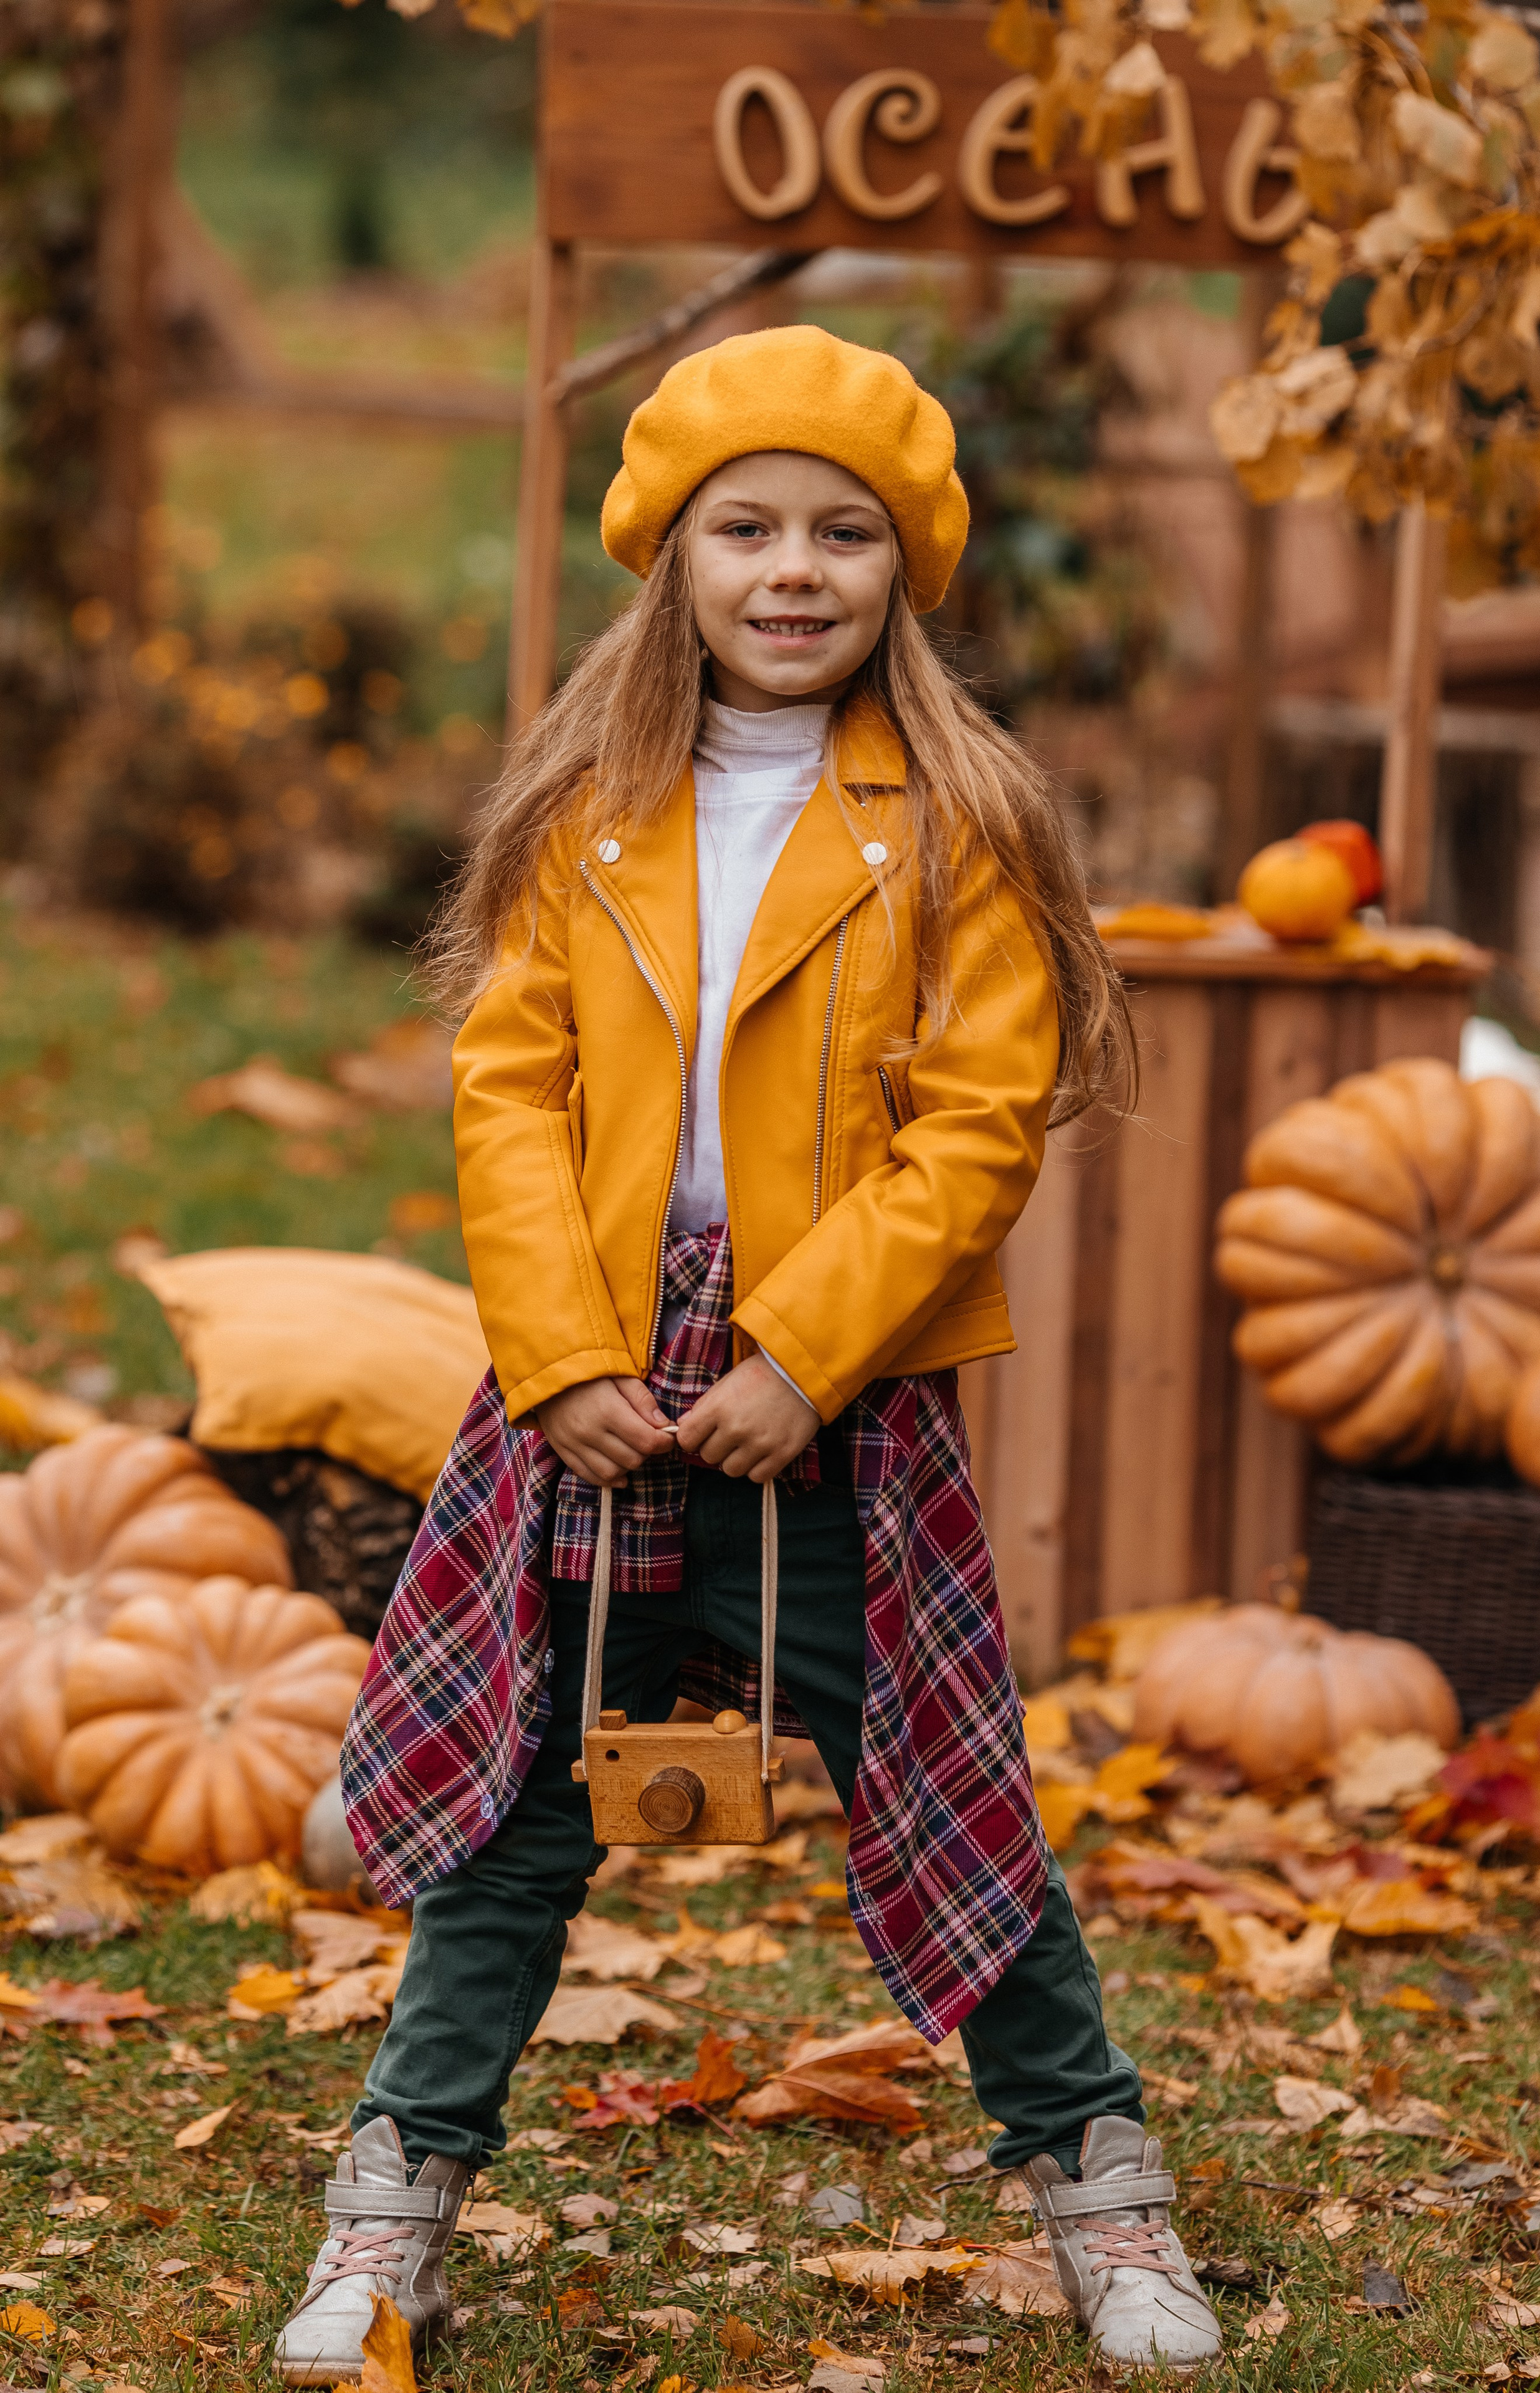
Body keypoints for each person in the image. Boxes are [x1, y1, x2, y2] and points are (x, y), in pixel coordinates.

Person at [272, 325, 1223, 2382]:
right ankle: (392, 2215)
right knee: (518, 1807)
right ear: (674, 561)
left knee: (951, 1801)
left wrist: (807, 1352)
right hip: (602, 1378)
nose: (795, 571)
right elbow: (508, 1093)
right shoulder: (587, 810)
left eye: (844, 534)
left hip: (838, 1398)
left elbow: (976, 1130)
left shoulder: (957, 818)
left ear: (905, 569)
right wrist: (557, 1355)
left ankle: (1104, 2195)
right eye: (748, 529)